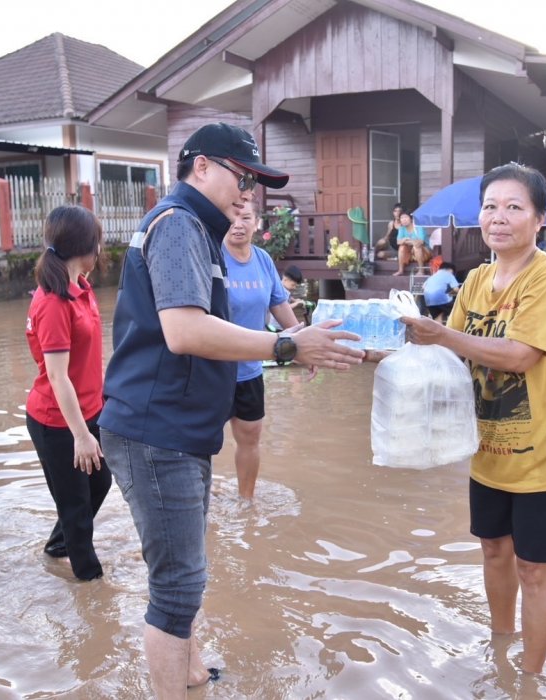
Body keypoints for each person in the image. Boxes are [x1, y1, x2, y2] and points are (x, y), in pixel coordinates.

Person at [98, 122, 364, 699]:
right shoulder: (178, 226)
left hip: (181, 429)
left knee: (185, 574)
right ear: (200, 167)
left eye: (255, 183)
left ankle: (191, 672)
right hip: (155, 431)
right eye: (241, 177)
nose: (248, 193)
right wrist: (287, 345)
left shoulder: (200, 230)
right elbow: (185, 330)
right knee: (178, 584)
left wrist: (302, 340)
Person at [400, 163, 546, 675]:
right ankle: (501, 647)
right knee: (493, 552)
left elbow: (519, 354)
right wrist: (381, 352)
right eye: (489, 206)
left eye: (513, 207)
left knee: (534, 569)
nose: (498, 218)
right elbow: (450, 358)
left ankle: (529, 676)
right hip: (488, 453)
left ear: (538, 219)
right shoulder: (477, 279)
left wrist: (440, 336)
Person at [24, 205, 110, 582]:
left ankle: (57, 547)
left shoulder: (82, 288)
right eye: (98, 243)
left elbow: (89, 360)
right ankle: (91, 588)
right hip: (58, 421)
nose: (101, 251)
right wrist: (80, 435)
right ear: (85, 245)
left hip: (89, 409)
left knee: (101, 482)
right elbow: (58, 377)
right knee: (76, 507)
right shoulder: (54, 302)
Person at [222, 200, 301, 500]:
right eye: (232, 217)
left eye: (246, 218)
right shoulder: (212, 256)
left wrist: (301, 344)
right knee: (202, 442)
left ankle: (246, 502)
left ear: (257, 224)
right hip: (214, 369)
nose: (238, 224)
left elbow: (279, 304)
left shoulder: (263, 260)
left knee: (250, 437)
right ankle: (198, 507)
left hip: (250, 370)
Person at [394, 210, 431, 275]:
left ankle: (421, 271)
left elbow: (420, 242)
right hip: (411, 254)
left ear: (411, 219)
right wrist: (406, 239)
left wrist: (405, 240)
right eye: (402, 218)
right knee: (402, 247)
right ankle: (400, 270)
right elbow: (398, 242)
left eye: (406, 217)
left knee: (416, 247)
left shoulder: (418, 227)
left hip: (424, 253)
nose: (404, 220)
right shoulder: (401, 228)